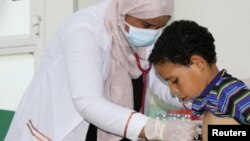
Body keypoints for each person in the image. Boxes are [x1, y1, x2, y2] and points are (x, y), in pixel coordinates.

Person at [5, 1, 198, 141]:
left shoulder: (141, 36)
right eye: (147, 25)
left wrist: (197, 100)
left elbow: (160, 85)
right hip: (64, 131)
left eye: (160, 27)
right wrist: (153, 128)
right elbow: (88, 102)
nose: (153, 33)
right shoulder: (84, 30)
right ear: (126, 9)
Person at [148, 20, 250, 141]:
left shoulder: (229, 90)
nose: (172, 90)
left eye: (174, 81)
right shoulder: (208, 98)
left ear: (198, 64)